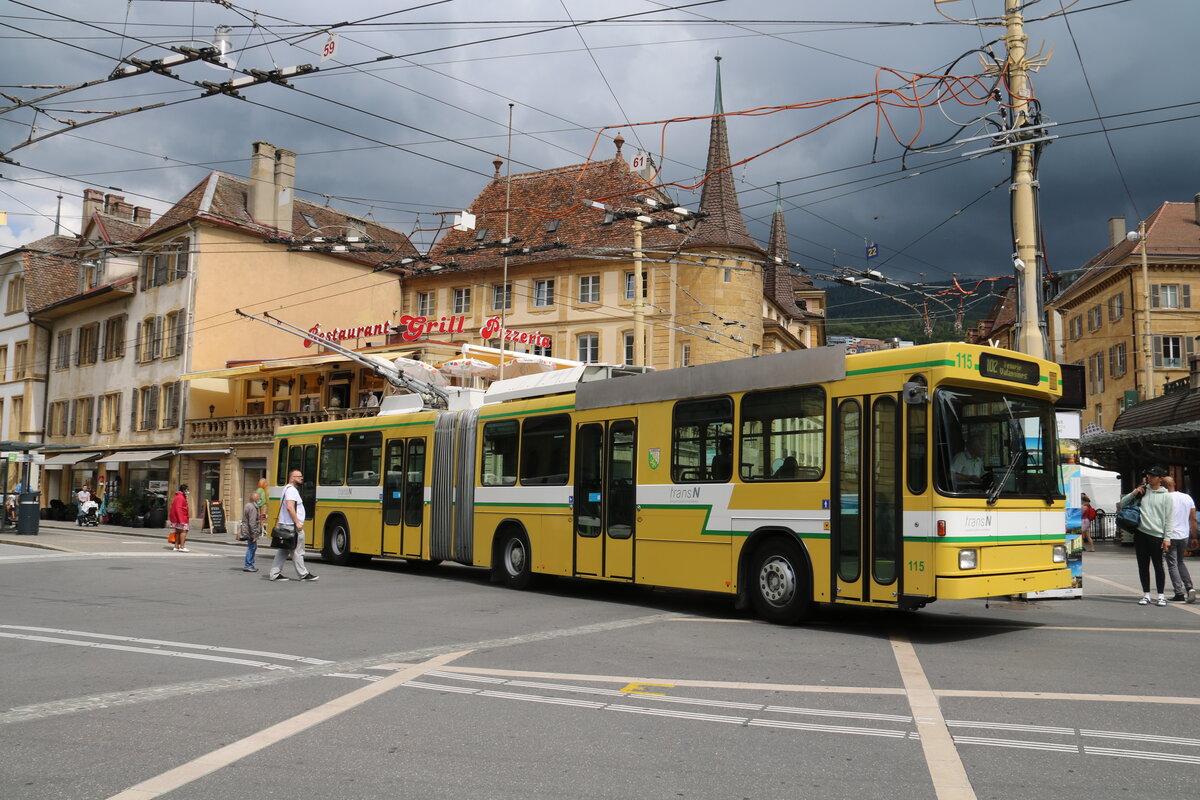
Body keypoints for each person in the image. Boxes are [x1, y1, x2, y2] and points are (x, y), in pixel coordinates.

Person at [1119, 466, 1174, 606]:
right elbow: (1123, 503)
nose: (1150, 478)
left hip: (1157, 535)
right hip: (1141, 533)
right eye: (1149, 475)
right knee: (1142, 566)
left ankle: (1161, 595)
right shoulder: (1142, 491)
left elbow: (1169, 519)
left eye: (1153, 476)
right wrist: (1134, 492)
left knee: (1158, 566)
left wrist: (1167, 538)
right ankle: (1146, 594)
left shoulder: (1166, 496)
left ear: (1160, 478)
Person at [269, 469, 318, 582]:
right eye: (298, 476)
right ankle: (303, 574)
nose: (301, 478)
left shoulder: (287, 489)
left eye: (301, 476)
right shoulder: (291, 490)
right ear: (292, 478)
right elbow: (290, 506)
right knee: (297, 551)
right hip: (291, 525)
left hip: (286, 524)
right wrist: (297, 522)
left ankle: (274, 574)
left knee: (284, 550)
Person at [1161, 476, 1197, 603]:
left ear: (1162, 485)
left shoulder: (1164, 498)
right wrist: (1194, 537)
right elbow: (1193, 518)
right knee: (1180, 562)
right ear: (1174, 483)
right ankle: (1189, 587)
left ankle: (1179, 592)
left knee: (1172, 564)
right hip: (1184, 535)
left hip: (1170, 536)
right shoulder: (1187, 497)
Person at [241, 490, 262, 572]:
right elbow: (252, 522)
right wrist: (254, 535)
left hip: (247, 530)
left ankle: (249, 564)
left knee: (252, 547)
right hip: (250, 531)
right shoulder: (253, 508)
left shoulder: (248, 505)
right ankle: (249, 565)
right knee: (251, 547)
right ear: (256, 499)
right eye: (259, 499)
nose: (260, 500)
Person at [168, 484, 190, 552]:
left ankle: (176, 546)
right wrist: (181, 520)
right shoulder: (181, 497)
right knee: (183, 531)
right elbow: (178, 508)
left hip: (177, 518)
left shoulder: (178, 496)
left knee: (177, 532)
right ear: (184, 490)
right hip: (181, 518)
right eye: (187, 490)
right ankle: (182, 547)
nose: (188, 491)